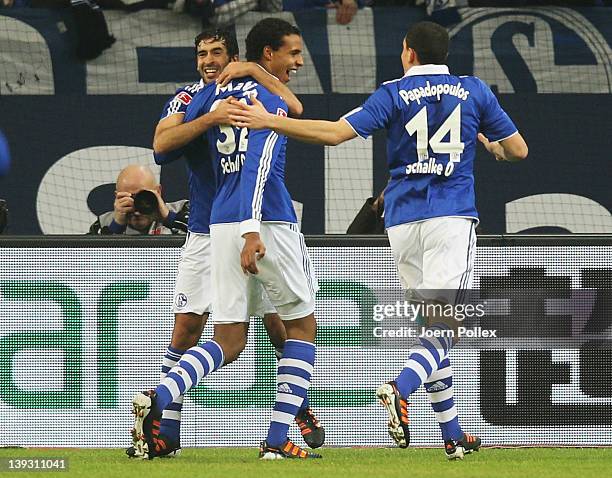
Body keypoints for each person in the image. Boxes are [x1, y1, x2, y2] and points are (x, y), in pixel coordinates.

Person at [227, 20, 528, 459]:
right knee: (449, 326)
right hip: (451, 218)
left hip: (402, 223)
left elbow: (332, 134)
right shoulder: (475, 90)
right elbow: (518, 149)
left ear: (408, 53)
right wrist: (493, 148)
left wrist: (267, 120)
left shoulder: (392, 93)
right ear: (444, 55)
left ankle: (453, 433)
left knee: (433, 328)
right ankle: (400, 386)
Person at [127, 26, 322, 460]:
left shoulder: (213, 94)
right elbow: (164, 146)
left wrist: (235, 85)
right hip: (251, 221)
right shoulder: (226, 99)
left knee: (241, 337)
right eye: (202, 53)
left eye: (217, 52)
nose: (208, 60)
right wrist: (219, 110)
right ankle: (271, 435)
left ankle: (160, 396)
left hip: (220, 221)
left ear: (232, 56)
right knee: (297, 326)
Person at [88, 164, 189, 235]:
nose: (137, 211)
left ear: (158, 192)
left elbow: (200, 240)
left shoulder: (181, 210)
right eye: (129, 198)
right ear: (117, 196)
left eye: (142, 197)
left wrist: (168, 217)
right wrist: (116, 227)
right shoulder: (103, 224)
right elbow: (90, 260)